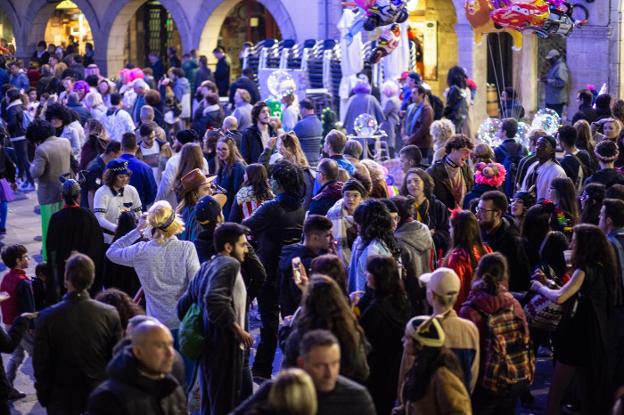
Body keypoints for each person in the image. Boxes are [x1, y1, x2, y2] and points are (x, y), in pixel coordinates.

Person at [531, 225, 615, 414]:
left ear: (585, 245)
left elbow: (561, 297)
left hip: (575, 339)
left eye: (575, 240)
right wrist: (549, 283)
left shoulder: (583, 270)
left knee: (556, 393)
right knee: (585, 392)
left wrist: (539, 287)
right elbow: (574, 293)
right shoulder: (602, 268)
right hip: (590, 339)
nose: (571, 244)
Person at [176, 223, 253, 415]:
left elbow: (182, 306)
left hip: (208, 349)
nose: (246, 249)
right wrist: (238, 330)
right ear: (228, 247)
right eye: (242, 245)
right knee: (225, 406)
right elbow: (215, 299)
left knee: (210, 404)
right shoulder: (230, 264)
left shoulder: (206, 267)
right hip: (226, 347)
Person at [33, 253, 123, 415]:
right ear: (92, 278)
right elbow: (116, 357)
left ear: (66, 279)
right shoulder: (109, 313)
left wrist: (44, 395)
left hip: (61, 398)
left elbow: (41, 363)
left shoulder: (47, 317)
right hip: (98, 393)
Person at [243, 160, 306, 380]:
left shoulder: (271, 207)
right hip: (291, 269)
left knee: (269, 322)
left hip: (268, 269)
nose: (269, 181)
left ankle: (262, 369)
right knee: (290, 319)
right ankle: (293, 369)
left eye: (272, 178)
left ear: (278, 183)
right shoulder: (301, 205)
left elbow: (245, 225)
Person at [106, 200, 200, 333]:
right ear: (175, 222)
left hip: (155, 324)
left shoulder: (140, 251)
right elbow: (196, 286)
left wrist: (137, 231)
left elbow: (111, 252)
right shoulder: (187, 249)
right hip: (183, 322)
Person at [234, 330, 375, 415]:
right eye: (320, 366)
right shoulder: (278, 390)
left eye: (334, 364)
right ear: (302, 364)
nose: (329, 373)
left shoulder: (356, 398)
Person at [460, 252, 533, 414]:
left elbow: (467, 354)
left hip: (486, 381)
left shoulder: (470, 309)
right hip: (514, 376)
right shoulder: (514, 304)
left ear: (478, 273)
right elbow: (525, 338)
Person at [85, 320, 186, 415]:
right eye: (160, 346)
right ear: (138, 352)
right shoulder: (108, 398)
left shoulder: (172, 388)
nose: (170, 353)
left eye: (170, 345)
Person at [283, 276, 370, 383]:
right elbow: (362, 371)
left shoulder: (301, 335)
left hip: (311, 394)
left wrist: (286, 329)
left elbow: (288, 372)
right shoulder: (351, 331)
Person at [359, 255, 413, 415]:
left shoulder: (375, 311)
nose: (365, 275)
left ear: (376, 278)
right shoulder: (403, 302)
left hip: (376, 372)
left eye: (368, 273)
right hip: (397, 369)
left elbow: (362, 341)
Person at [394, 315, 472, 415]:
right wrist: (403, 410)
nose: (403, 340)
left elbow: (460, 411)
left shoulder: (443, 375)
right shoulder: (421, 366)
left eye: (407, 337)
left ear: (420, 344)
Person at [47, 178, 104, 300]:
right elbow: (97, 245)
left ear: (62, 196)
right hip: (86, 272)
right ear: (79, 196)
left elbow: (51, 249)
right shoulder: (88, 216)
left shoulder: (56, 218)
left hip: (65, 274)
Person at [26, 119, 72, 261]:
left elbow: (36, 173)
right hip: (65, 192)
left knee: (48, 229)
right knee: (64, 228)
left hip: (48, 195)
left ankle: (49, 256)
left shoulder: (41, 149)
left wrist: (30, 166)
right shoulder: (65, 142)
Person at [278, 214, 334, 316]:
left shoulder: (316, 256)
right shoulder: (297, 264)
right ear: (314, 238)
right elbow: (299, 297)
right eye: (328, 235)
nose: (331, 239)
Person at [477, 190, 531, 292]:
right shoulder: (480, 231)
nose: (478, 215)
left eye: (483, 211)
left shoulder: (512, 241)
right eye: (478, 209)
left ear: (497, 213)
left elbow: (521, 279)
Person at [0, 244, 35, 399]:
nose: (28, 259)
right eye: (25, 256)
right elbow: (29, 309)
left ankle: (8, 386)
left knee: (16, 355)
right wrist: (31, 327)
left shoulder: (6, 278)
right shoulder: (23, 282)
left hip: (8, 324)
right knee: (38, 355)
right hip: (22, 327)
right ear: (18, 260)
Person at [391, 195, 434, 313]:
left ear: (398, 217)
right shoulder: (425, 230)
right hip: (430, 291)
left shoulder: (398, 241)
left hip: (412, 299)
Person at [348, 199, 400, 292]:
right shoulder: (360, 240)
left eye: (359, 223)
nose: (356, 226)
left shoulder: (375, 250)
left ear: (369, 225)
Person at [444, 210, 492, 310]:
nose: (449, 231)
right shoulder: (486, 249)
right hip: (486, 309)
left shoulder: (457, 257)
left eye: (451, 227)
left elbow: (456, 293)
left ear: (457, 231)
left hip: (465, 311)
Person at [93, 159, 143, 243]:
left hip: (129, 239)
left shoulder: (132, 190)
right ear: (111, 177)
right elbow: (99, 218)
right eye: (121, 177)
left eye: (126, 176)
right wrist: (117, 229)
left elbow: (138, 213)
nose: (125, 179)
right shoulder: (101, 192)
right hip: (108, 239)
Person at [156, 129, 209, 207]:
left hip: (177, 204)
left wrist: (157, 202)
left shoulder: (173, 161)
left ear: (181, 143)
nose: (174, 143)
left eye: (176, 140)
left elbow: (166, 184)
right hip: (199, 202)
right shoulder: (203, 160)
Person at [326, 178, 368, 268]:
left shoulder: (367, 213)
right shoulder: (334, 213)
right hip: (338, 260)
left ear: (361, 198)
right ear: (343, 196)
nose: (351, 199)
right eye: (347, 195)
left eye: (355, 195)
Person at [427, 134, 474, 209]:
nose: (468, 156)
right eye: (465, 151)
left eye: (469, 153)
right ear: (453, 150)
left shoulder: (466, 169)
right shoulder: (433, 172)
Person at [520, 135, 567, 201]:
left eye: (542, 146)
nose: (537, 148)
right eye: (537, 144)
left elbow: (558, 199)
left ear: (552, 151)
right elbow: (523, 189)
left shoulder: (557, 172)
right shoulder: (532, 166)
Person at [176, 168, 217, 241]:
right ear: (194, 194)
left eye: (210, 187)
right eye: (206, 189)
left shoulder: (182, 209)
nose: (211, 192)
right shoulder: (199, 214)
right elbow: (196, 243)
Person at [119, 133, 157, 209]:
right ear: (136, 148)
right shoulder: (145, 168)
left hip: (115, 212)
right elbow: (152, 193)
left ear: (121, 147)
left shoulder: (110, 165)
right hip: (138, 211)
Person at [494, 118, 528, 197]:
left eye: (500, 129)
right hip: (521, 187)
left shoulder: (498, 150)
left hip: (504, 189)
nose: (498, 131)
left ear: (504, 132)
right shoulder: (523, 149)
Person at [215, 135, 246, 219]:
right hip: (224, 211)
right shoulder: (222, 165)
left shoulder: (238, 167)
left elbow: (238, 195)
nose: (220, 152)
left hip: (233, 214)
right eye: (218, 149)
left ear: (231, 150)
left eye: (224, 149)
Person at [403, 84, 434, 161]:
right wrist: (404, 135)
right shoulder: (410, 107)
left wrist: (410, 139)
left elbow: (423, 128)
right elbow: (404, 122)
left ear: (421, 94)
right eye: (411, 93)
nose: (411, 96)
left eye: (414, 93)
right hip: (410, 143)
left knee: (419, 167)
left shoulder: (427, 109)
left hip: (421, 145)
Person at [557, 125, 591, 191]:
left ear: (563, 143)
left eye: (558, 140)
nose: (558, 142)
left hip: (572, 197)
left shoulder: (565, 162)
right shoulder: (585, 154)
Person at [293, 98, 323, 166]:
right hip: (317, 163)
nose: (300, 112)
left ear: (304, 109)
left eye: (300, 109)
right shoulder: (319, 123)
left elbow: (288, 140)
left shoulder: (301, 124)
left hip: (304, 163)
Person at [443, 66, 470, 135]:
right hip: (463, 120)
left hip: (455, 120)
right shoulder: (464, 90)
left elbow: (450, 106)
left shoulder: (453, 89)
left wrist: (442, 114)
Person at [541, 49, 569, 116]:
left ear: (556, 57)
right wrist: (546, 77)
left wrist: (548, 81)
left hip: (557, 101)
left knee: (556, 120)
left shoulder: (561, 67)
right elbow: (553, 77)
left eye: (551, 59)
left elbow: (561, 82)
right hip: (551, 100)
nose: (549, 61)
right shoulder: (554, 66)